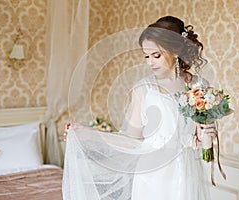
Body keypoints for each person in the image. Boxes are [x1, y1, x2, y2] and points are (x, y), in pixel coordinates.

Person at [63, 16, 216, 200]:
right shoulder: (144, 89)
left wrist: (207, 135)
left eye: (156, 55)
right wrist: (86, 133)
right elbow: (130, 138)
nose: (149, 62)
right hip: (152, 176)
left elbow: (206, 142)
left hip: (187, 170)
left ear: (175, 51)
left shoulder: (200, 86)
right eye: (146, 56)